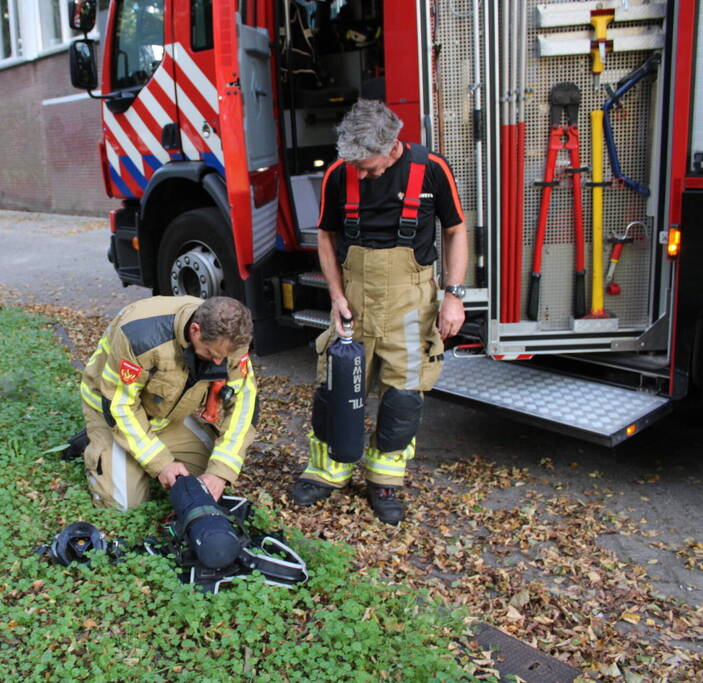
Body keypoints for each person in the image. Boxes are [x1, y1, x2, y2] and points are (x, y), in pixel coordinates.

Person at [289, 99, 468, 524]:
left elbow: (455, 230)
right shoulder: (340, 173)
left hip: (411, 303)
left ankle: (385, 478)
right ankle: (328, 470)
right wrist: (336, 296)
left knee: (404, 395)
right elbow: (327, 237)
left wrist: (454, 296)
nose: (360, 175)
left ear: (392, 147)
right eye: (355, 167)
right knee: (334, 388)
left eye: (367, 168)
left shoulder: (432, 170)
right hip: (354, 300)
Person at [79, 295, 257, 510]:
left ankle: (136, 454)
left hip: (165, 417)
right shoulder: (139, 336)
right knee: (124, 505)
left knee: (207, 478)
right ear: (195, 330)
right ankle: (100, 442)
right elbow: (119, 405)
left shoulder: (231, 341)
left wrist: (220, 472)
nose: (219, 362)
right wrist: (161, 463)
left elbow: (244, 404)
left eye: (223, 357)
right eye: (212, 353)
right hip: (113, 412)